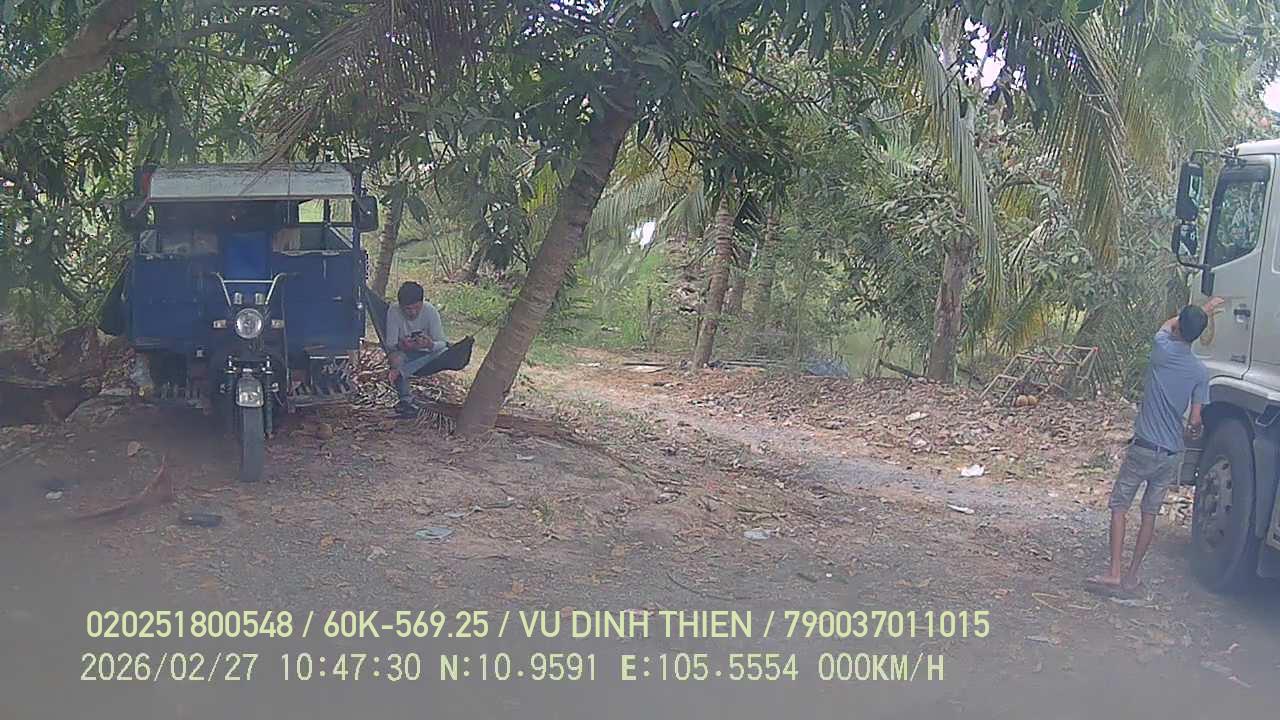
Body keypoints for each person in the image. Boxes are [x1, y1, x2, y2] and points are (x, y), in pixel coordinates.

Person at [1087, 297, 1224, 594]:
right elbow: (1195, 421)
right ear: (1198, 335)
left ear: (1179, 327)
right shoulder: (1200, 372)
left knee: (1120, 507)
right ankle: (1132, 576)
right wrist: (1204, 316)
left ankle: (1114, 571)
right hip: (1170, 454)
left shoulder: (1162, 348)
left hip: (1143, 447)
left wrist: (1201, 310)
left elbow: (1168, 325)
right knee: (1149, 514)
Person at [385, 281, 449, 416]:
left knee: (444, 352)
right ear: (401, 306)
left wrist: (429, 345)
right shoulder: (394, 311)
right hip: (406, 354)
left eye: (416, 308)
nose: (412, 312)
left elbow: (442, 343)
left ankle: (401, 372)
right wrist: (402, 345)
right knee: (396, 359)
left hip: (428, 356)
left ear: (422, 303)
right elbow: (390, 345)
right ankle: (405, 401)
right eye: (408, 309)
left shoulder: (430, 311)